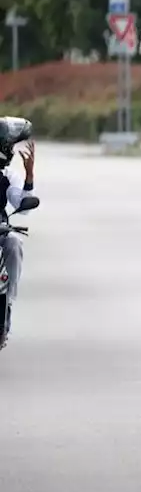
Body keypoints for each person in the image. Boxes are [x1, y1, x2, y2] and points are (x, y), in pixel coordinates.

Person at [1, 139, 35, 343]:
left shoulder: (7, 177)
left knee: (14, 242)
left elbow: (24, 206)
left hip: (1, 230)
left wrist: (29, 174)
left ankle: (8, 299)